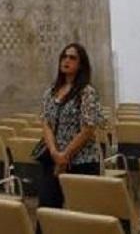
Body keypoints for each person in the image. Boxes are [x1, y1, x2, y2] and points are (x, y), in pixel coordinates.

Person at [38, 42, 106, 210]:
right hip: (54, 159)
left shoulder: (87, 92)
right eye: (64, 57)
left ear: (81, 64)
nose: (66, 60)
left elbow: (88, 129)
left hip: (81, 161)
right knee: (48, 210)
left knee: (81, 214)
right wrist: (55, 153)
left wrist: (65, 156)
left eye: (72, 57)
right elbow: (46, 123)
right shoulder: (51, 91)